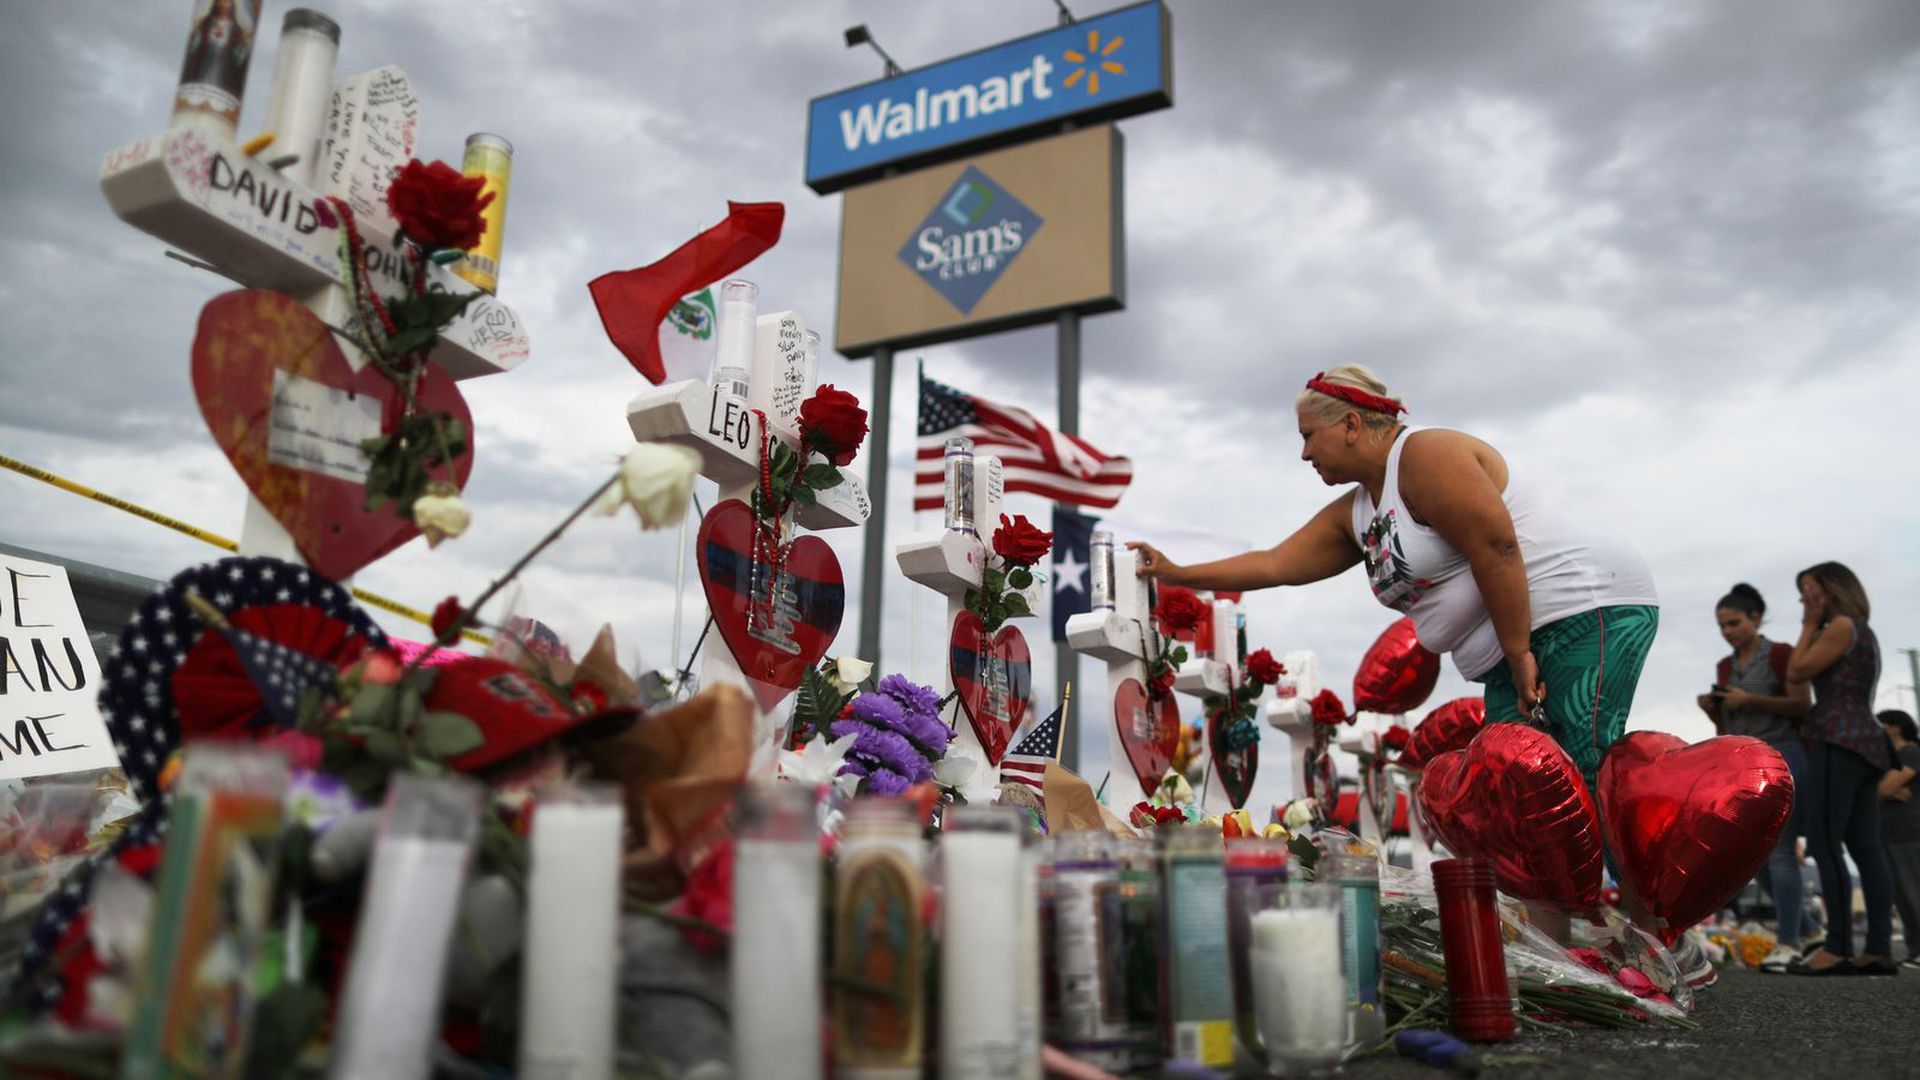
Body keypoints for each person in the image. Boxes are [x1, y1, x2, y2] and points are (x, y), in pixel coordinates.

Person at [1128, 365, 1659, 937]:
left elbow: (1497, 544)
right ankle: (1564, 949)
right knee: (1518, 793)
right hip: (1522, 642)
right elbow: (1276, 564)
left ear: (1352, 424)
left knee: (1584, 765)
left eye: (1309, 435)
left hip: (1582, 607)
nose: (1305, 453)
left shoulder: (1425, 457)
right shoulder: (1358, 512)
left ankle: (1656, 936)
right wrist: (1178, 572)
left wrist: (1519, 650)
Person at [1695, 583, 1815, 972]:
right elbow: (1728, 723)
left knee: (1779, 850)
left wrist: (1750, 700)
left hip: (1784, 753)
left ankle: (1790, 940)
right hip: (1744, 761)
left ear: (1755, 619)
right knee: (1752, 856)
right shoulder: (1725, 666)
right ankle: (1808, 928)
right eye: (1721, 625)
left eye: (1733, 623)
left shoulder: (1780, 655)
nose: (1728, 631)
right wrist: (1715, 708)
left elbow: (1802, 704)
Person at [1786, 562, 1897, 976]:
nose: (1803, 599)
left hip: (1839, 738)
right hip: (1866, 740)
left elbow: (1797, 671)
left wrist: (1808, 624)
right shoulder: (1863, 630)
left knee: (1824, 840)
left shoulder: (1840, 626)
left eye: (1808, 589)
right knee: (1866, 845)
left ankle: (1836, 948)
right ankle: (1879, 948)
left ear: (1829, 591)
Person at [1879, 709, 1920, 969]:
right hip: (1891, 833)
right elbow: (1885, 790)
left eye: (1879, 724)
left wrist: (1883, 791)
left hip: (1909, 832)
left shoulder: (1910, 752)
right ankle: (1915, 950)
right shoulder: (1889, 758)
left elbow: (1883, 788)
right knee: (1903, 898)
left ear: (1894, 727)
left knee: (1913, 891)